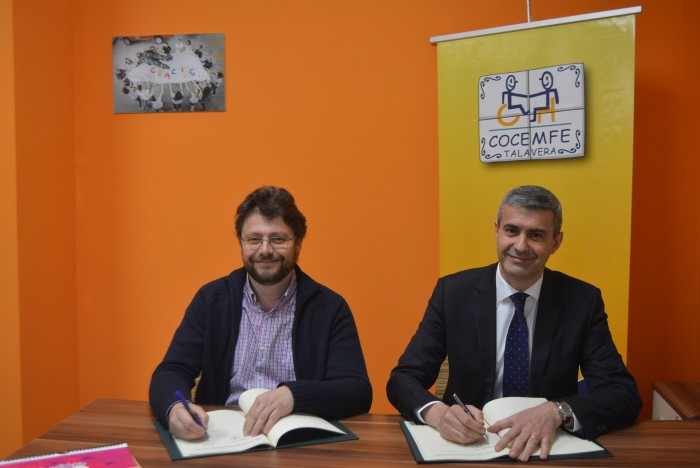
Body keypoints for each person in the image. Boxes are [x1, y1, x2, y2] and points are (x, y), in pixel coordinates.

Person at [386, 185, 641, 462]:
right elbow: (403, 378)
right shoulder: (453, 293)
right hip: (470, 447)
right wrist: (439, 414)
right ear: (497, 231)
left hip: (546, 448)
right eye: (512, 230)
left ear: (556, 242)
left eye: (536, 235)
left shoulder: (582, 301)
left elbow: (623, 395)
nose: (521, 246)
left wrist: (557, 411)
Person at [150, 186, 372, 441]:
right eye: (254, 239)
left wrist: (294, 395)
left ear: (298, 244)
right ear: (241, 243)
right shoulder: (211, 300)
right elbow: (171, 370)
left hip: (299, 441)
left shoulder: (330, 308)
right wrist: (175, 408)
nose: (265, 250)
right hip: (223, 439)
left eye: (278, 239)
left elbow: (357, 391)